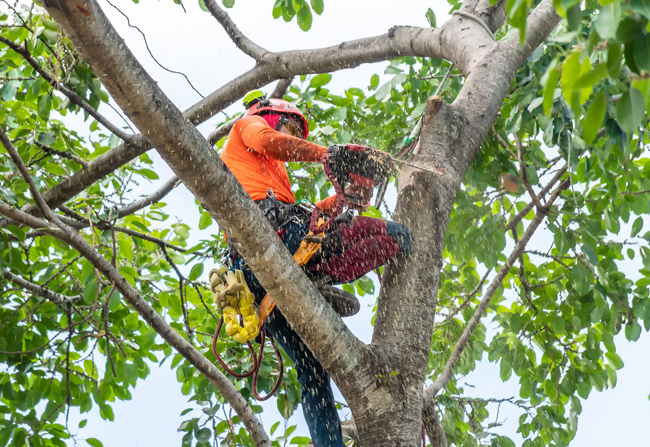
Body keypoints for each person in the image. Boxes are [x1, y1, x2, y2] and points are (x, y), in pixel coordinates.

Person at [219, 91, 411, 447]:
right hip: (273, 242)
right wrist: (327, 154)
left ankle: (329, 445)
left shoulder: (275, 178)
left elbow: (310, 214)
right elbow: (270, 141)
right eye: (289, 127)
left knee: (312, 372)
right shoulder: (249, 126)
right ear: (271, 115)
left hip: (273, 273)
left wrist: (345, 197)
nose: (293, 136)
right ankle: (317, 277)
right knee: (395, 235)